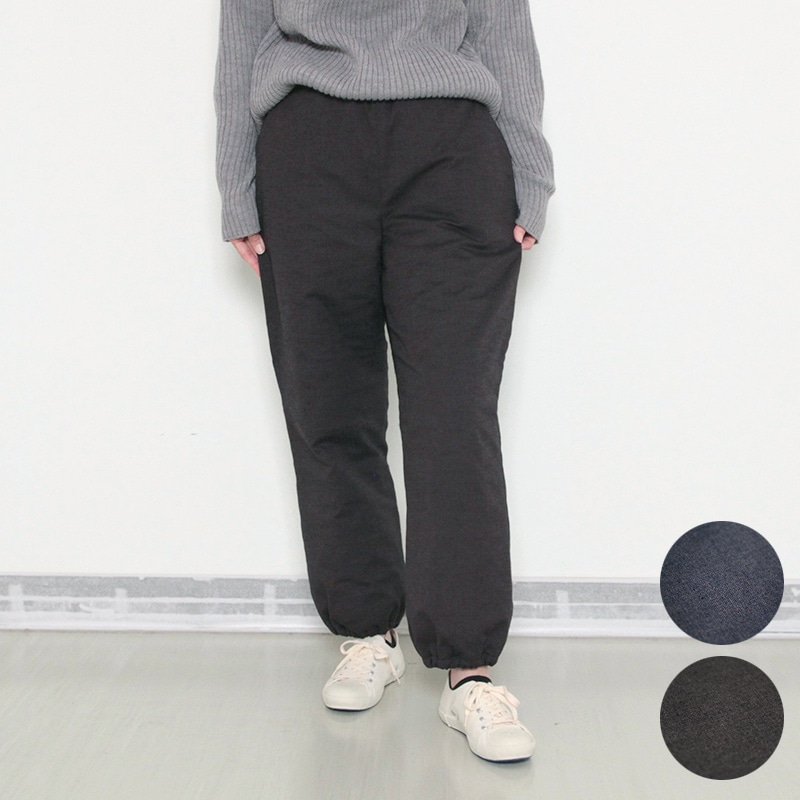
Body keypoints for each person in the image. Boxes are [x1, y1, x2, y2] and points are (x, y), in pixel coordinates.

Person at [214, 0, 555, 763]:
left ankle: (469, 670)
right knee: (328, 404)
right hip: (307, 146)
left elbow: (502, 23)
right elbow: (243, 32)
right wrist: (235, 181)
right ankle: (369, 631)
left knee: (454, 411)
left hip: (450, 149)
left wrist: (531, 167)